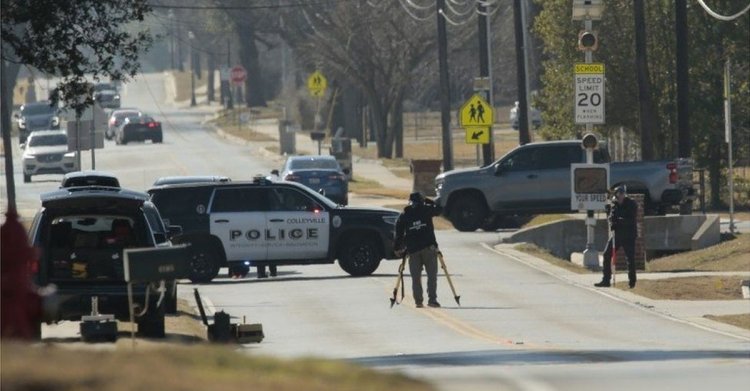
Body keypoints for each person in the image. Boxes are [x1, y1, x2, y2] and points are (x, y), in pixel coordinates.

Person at [394, 192, 443, 308]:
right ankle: (432, 300)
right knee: (432, 276)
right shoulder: (426, 209)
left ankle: (418, 302)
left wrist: (397, 248)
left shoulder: (404, 215)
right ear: (422, 201)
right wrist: (430, 201)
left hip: (413, 250)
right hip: (429, 248)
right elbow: (440, 210)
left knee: (416, 277)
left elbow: (399, 233)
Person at [595, 186, 638, 288]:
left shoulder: (631, 204)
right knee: (606, 254)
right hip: (617, 235)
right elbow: (612, 217)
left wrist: (618, 221)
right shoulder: (614, 205)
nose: (621, 196)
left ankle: (632, 282)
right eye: (619, 194)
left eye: (622, 193)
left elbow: (631, 220)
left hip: (629, 235)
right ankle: (606, 280)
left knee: (630, 259)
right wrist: (611, 220)